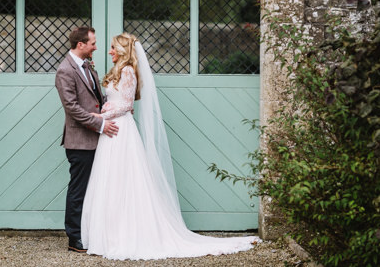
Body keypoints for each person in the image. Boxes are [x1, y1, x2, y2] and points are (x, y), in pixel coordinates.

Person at [80, 33, 259, 260]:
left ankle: (125, 234)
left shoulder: (127, 71)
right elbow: (119, 101)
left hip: (121, 130)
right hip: (112, 129)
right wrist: (107, 109)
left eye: (114, 47)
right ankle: (110, 233)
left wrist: (102, 113)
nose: (110, 51)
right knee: (112, 179)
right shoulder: (118, 70)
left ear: (124, 50)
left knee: (125, 179)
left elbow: (125, 105)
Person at [55, 26, 119, 253]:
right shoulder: (65, 70)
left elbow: (96, 100)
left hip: (96, 139)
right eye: (92, 43)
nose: (96, 47)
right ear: (80, 44)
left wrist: (112, 110)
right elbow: (72, 108)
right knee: (79, 190)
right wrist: (101, 123)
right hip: (80, 141)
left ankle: (93, 232)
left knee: (96, 189)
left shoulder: (87, 65)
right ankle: (74, 238)